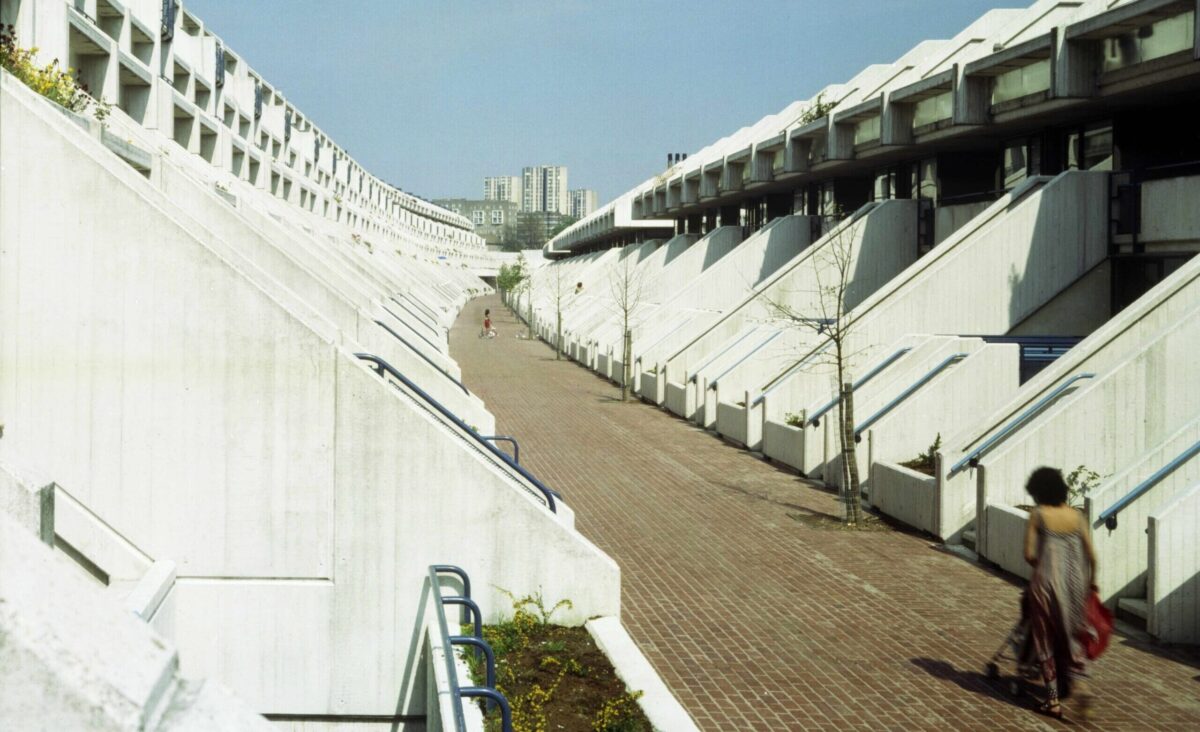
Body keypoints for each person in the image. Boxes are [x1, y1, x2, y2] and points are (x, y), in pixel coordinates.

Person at [1022, 466, 1098, 720]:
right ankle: (1081, 685)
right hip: (1075, 586)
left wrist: (1043, 564)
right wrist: (1092, 584)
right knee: (1073, 637)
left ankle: (1053, 701)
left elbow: (1029, 554)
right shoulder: (1077, 517)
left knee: (1045, 640)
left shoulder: (1039, 514)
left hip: (1045, 583)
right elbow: (1092, 556)